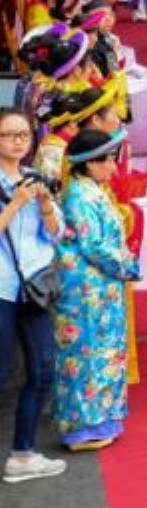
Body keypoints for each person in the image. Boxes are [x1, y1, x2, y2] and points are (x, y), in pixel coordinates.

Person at [54, 128, 141, 452]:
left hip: (98, 287)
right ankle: (84, 424)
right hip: (86, 289)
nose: (114, 167)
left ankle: (99, 418)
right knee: (87, 354)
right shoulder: (81, 195)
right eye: (109, 160)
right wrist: (128, 265)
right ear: (91, 164)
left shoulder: (90, 189)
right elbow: (94, 245)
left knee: (99, 351)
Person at [0, 109, 66, 483]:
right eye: (9, 135)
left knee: (42, 368)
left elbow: (57, 234)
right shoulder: (12, 188)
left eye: (23, 134)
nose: (18, 141)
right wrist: (14, 204)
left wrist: (43, 204)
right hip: (3, 288)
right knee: (2, 372)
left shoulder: (35, 178)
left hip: (34, 287)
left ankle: (23, 453)